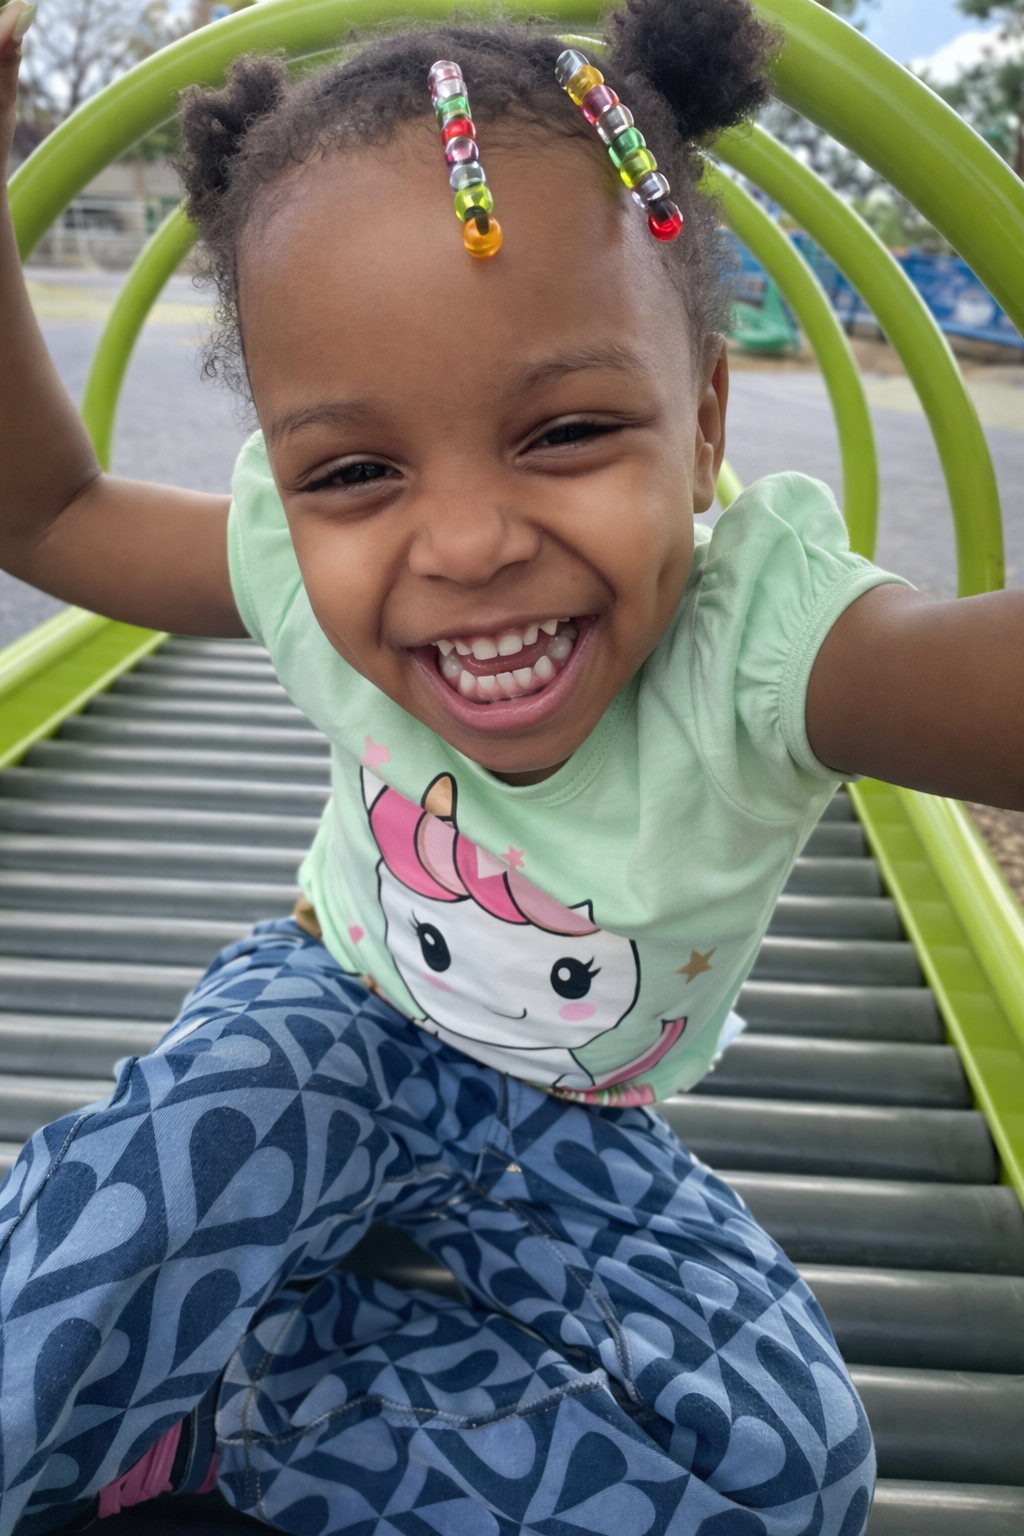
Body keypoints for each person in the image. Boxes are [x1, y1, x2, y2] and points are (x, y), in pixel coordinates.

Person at [0, 0, 1021, 1530]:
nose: (467, 543)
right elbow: (50, 514)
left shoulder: (763, 645)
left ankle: (238, 1418)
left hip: (576, 1127)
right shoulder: (290, 557)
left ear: (701, 430)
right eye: (355, 470)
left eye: (566, 432)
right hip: (326, 1021)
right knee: (172, 1169)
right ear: (291, 477)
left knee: (794, 1464)